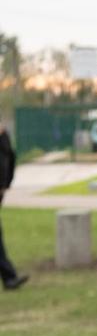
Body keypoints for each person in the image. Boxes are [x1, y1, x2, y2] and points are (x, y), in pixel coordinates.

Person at [0, 120, 28, 290]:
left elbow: (10, 157)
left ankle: (9, 277)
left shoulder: (4, 138)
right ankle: (9, 277)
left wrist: (5, 184)